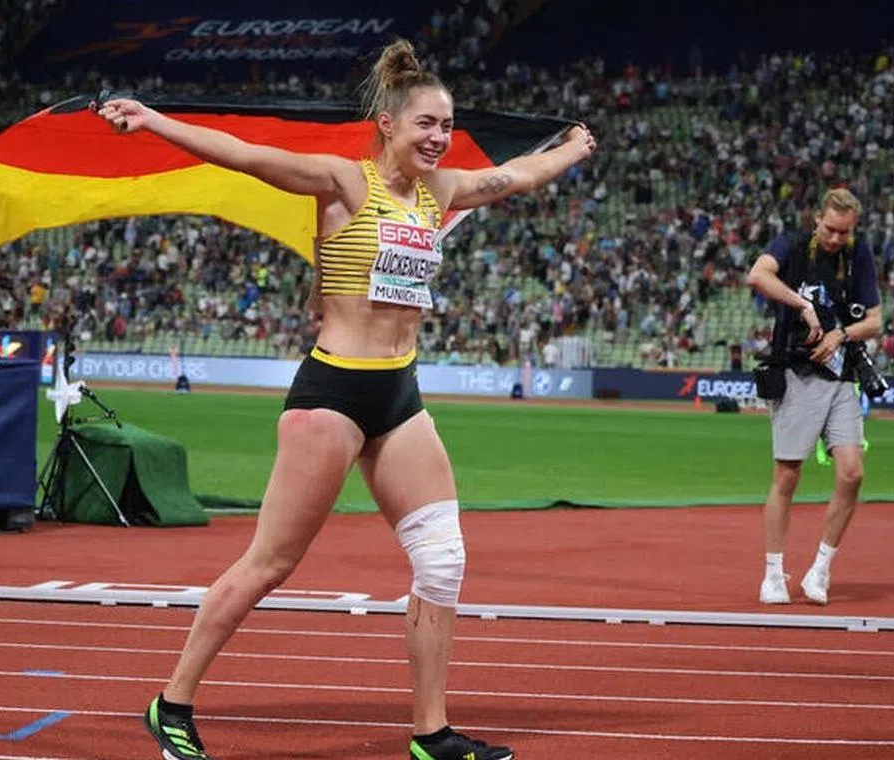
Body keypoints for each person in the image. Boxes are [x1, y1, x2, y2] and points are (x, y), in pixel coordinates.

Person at [95, 38, 595, 760]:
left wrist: (574, 150)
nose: (440, 137)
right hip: (332, 392)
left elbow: (515, 176)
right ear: (388, 124)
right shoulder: (342, 182)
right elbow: (241, 154)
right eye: (426, 123)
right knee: (270, 563)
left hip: (400, 394)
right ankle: (170, 703)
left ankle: (431, 734)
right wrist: (154, 119)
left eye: (446, 126)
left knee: (443, 561)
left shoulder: (442, 192)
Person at [744, 189, 881, 606]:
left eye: (845, 232)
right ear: (817, 218)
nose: (838, 238)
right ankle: (772, 574)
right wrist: (801, 304)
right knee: (787, 475)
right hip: (796, 371)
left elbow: (875, 320)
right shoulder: (789, 244)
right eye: (831, 229)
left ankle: (820, 569)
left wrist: (842, 333)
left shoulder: (858, 256)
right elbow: (758, 275)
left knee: (852, 473)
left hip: (841, 375)